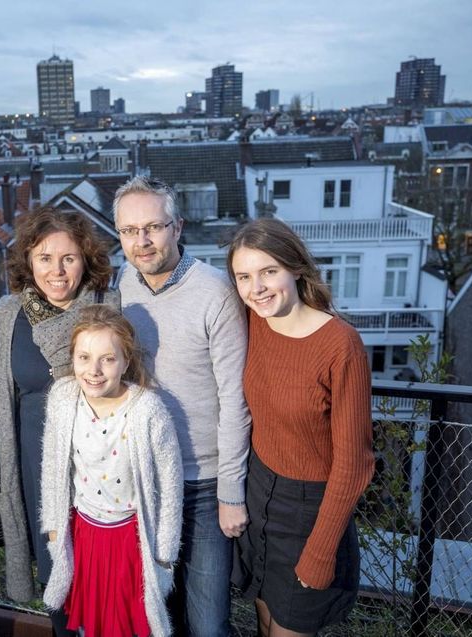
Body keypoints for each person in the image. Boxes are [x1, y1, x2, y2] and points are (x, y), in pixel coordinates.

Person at [113, 176, 252, 637]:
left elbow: (236, 398)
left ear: (177, 227)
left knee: (209, 623)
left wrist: (231, 491)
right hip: (143, 480)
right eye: (130, 231)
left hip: (203, 484)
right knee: (155, 615)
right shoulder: (122, 286)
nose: (142, 240)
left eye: (153, 227)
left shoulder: (216, 292)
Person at [227, 219, 374, 637]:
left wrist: (322, 551)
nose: (257, 287)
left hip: (311, 510)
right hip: (258, 493)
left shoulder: (340, 345)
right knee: (264, 621)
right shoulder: (252, 321)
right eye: (244, 276)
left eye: (269, 271)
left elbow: (354, 463)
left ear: (295, 267)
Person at [0, 207, 120, 630]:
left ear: (85, 259)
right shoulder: (8, 314)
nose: (57, 270)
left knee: (105, 585)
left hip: (101, 473)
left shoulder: (109, 306)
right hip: (36, 469)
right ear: (28, 261)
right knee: (58, 586)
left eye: (69, 257)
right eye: (45, 258)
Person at [40, 304, 183, 637]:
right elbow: (52, 468)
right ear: (72, 359)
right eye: (84, 357)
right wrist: (52, 529)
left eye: (108, 358)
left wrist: (164, 549)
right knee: (94, 625)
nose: (94, 370)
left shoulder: (147, 409)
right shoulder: (63, 398)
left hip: (130, 541)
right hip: (85, 536)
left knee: (129, 625)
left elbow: (171, 483)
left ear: (125, 361)